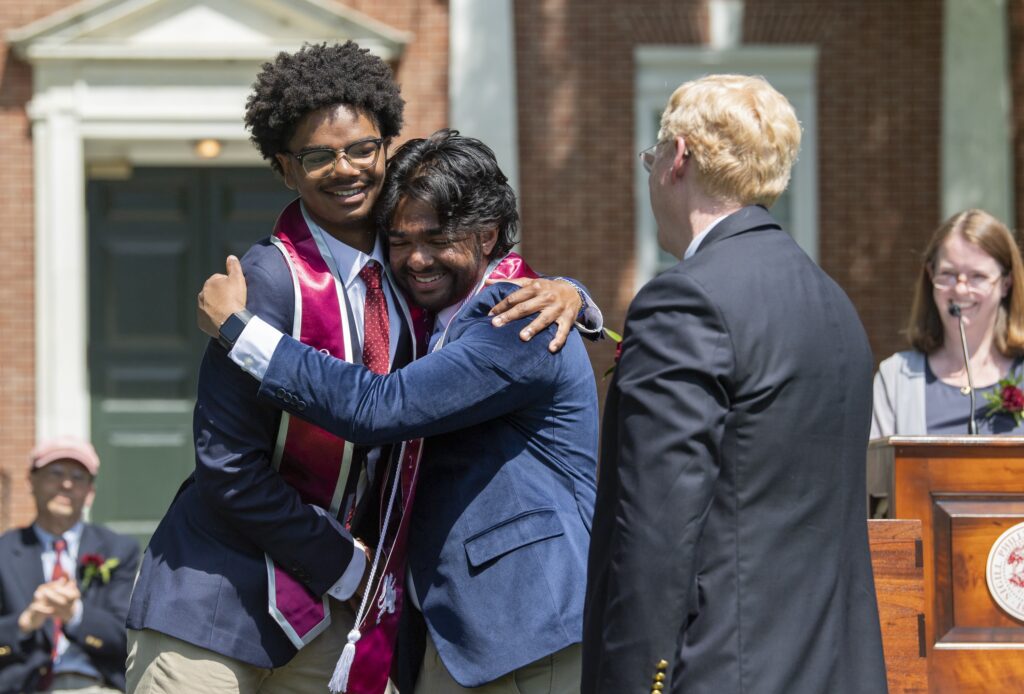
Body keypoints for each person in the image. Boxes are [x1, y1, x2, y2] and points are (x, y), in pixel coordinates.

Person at [127, 43, 588, 694]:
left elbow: (484, 287)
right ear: (286, 169)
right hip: (220, 597)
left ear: (386, 147)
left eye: (362, 149)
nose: (345, 169)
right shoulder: (267, 283)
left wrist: (571, 292)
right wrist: (343, 566)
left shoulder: (410, 271)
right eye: (318, 155)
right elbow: (228, 465)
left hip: (332, 619)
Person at [581, 74, 888, 694]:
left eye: (651, 156)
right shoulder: (835, 304)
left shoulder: (685, 300)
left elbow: (653, 533)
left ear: (679, 157)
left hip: (721, 672)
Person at [868, 209, 1024, 515]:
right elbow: (872, 491)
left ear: (1005, 283)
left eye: (978, 276)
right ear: (930, 276)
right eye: (948, 275)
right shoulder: (896, 377)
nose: (961, 289)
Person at [0, 437, 140, 693]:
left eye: (78, 477)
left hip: (95, 682)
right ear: (31, 482)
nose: (66, 484)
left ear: (90, 493)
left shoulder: (118, 550)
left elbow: (126, 637)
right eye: (55, 473)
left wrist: (74, 615)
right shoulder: (4, 551)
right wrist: (24, 623)